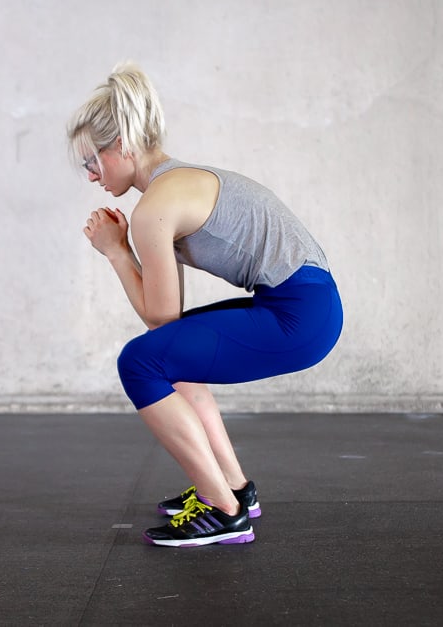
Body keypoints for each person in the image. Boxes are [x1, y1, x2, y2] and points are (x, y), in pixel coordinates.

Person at [67, 63, 343, 547]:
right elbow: (168, 324)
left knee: (139, 362)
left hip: (300, 315)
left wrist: (115, 251)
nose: (91, 175)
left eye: (94, 160)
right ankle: (235, 487)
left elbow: (160, 314)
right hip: (303, 304)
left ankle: (224, 509)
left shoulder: (154, 207)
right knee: (170, 355)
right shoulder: (174, 185)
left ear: (124, 147)